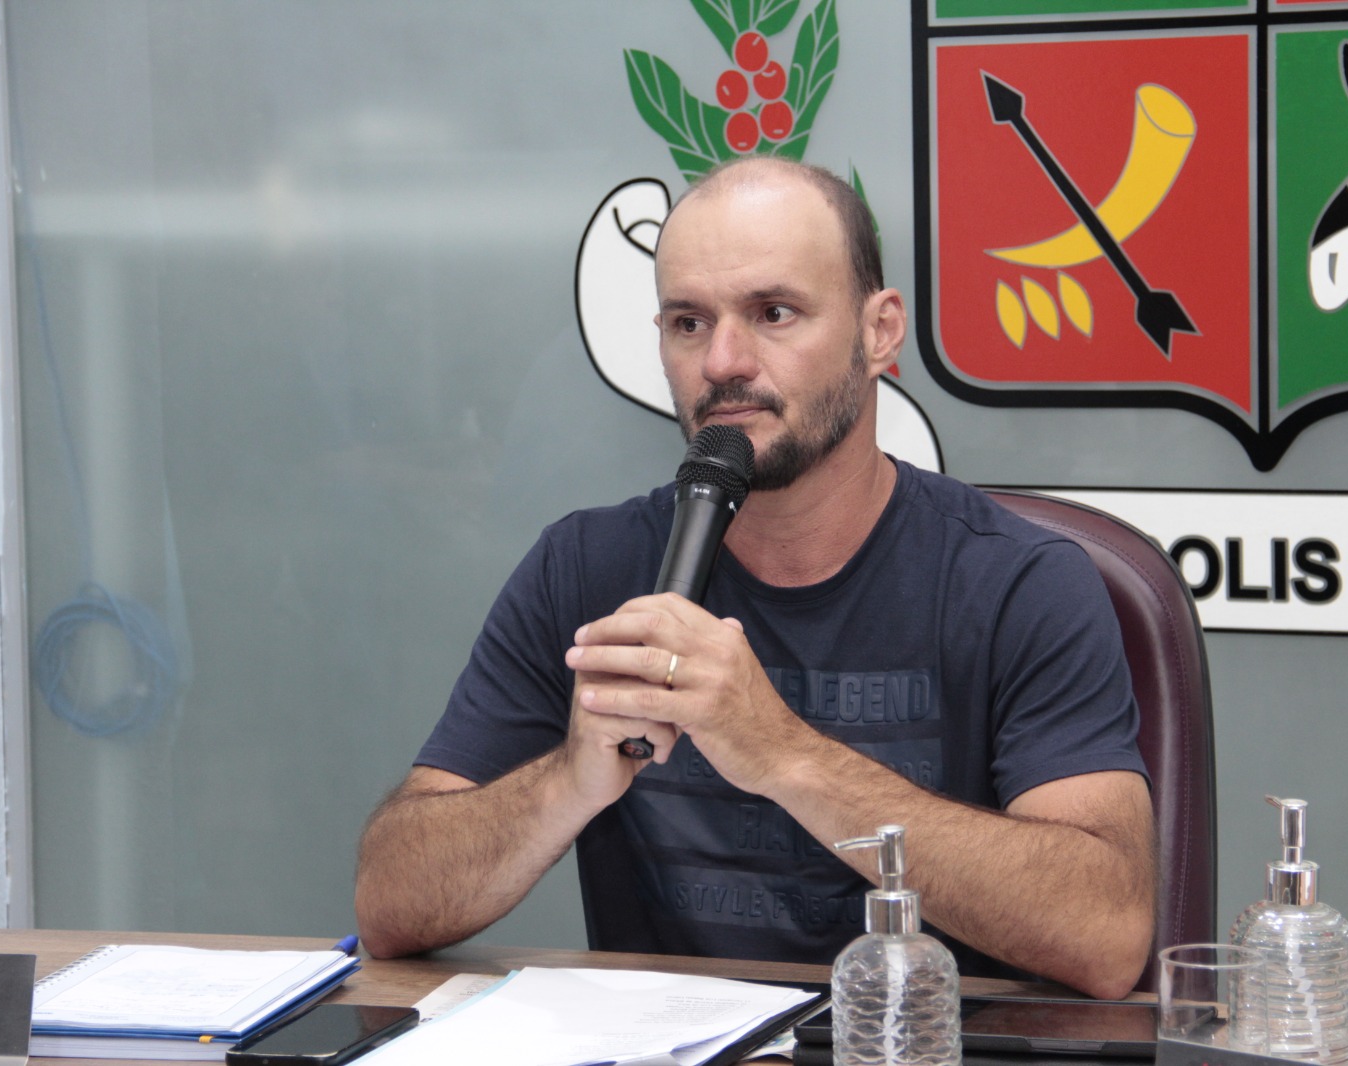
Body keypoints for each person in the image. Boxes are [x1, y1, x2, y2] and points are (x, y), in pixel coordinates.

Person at [354, 156, 1156, 999]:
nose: (723, 361)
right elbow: (390, 908)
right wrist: (565, 782)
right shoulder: (587, 569)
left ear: (880, 332)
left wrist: (784, 755)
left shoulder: (1019, 582)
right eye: (688, 323)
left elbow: (1106, 936)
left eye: (774, 313)